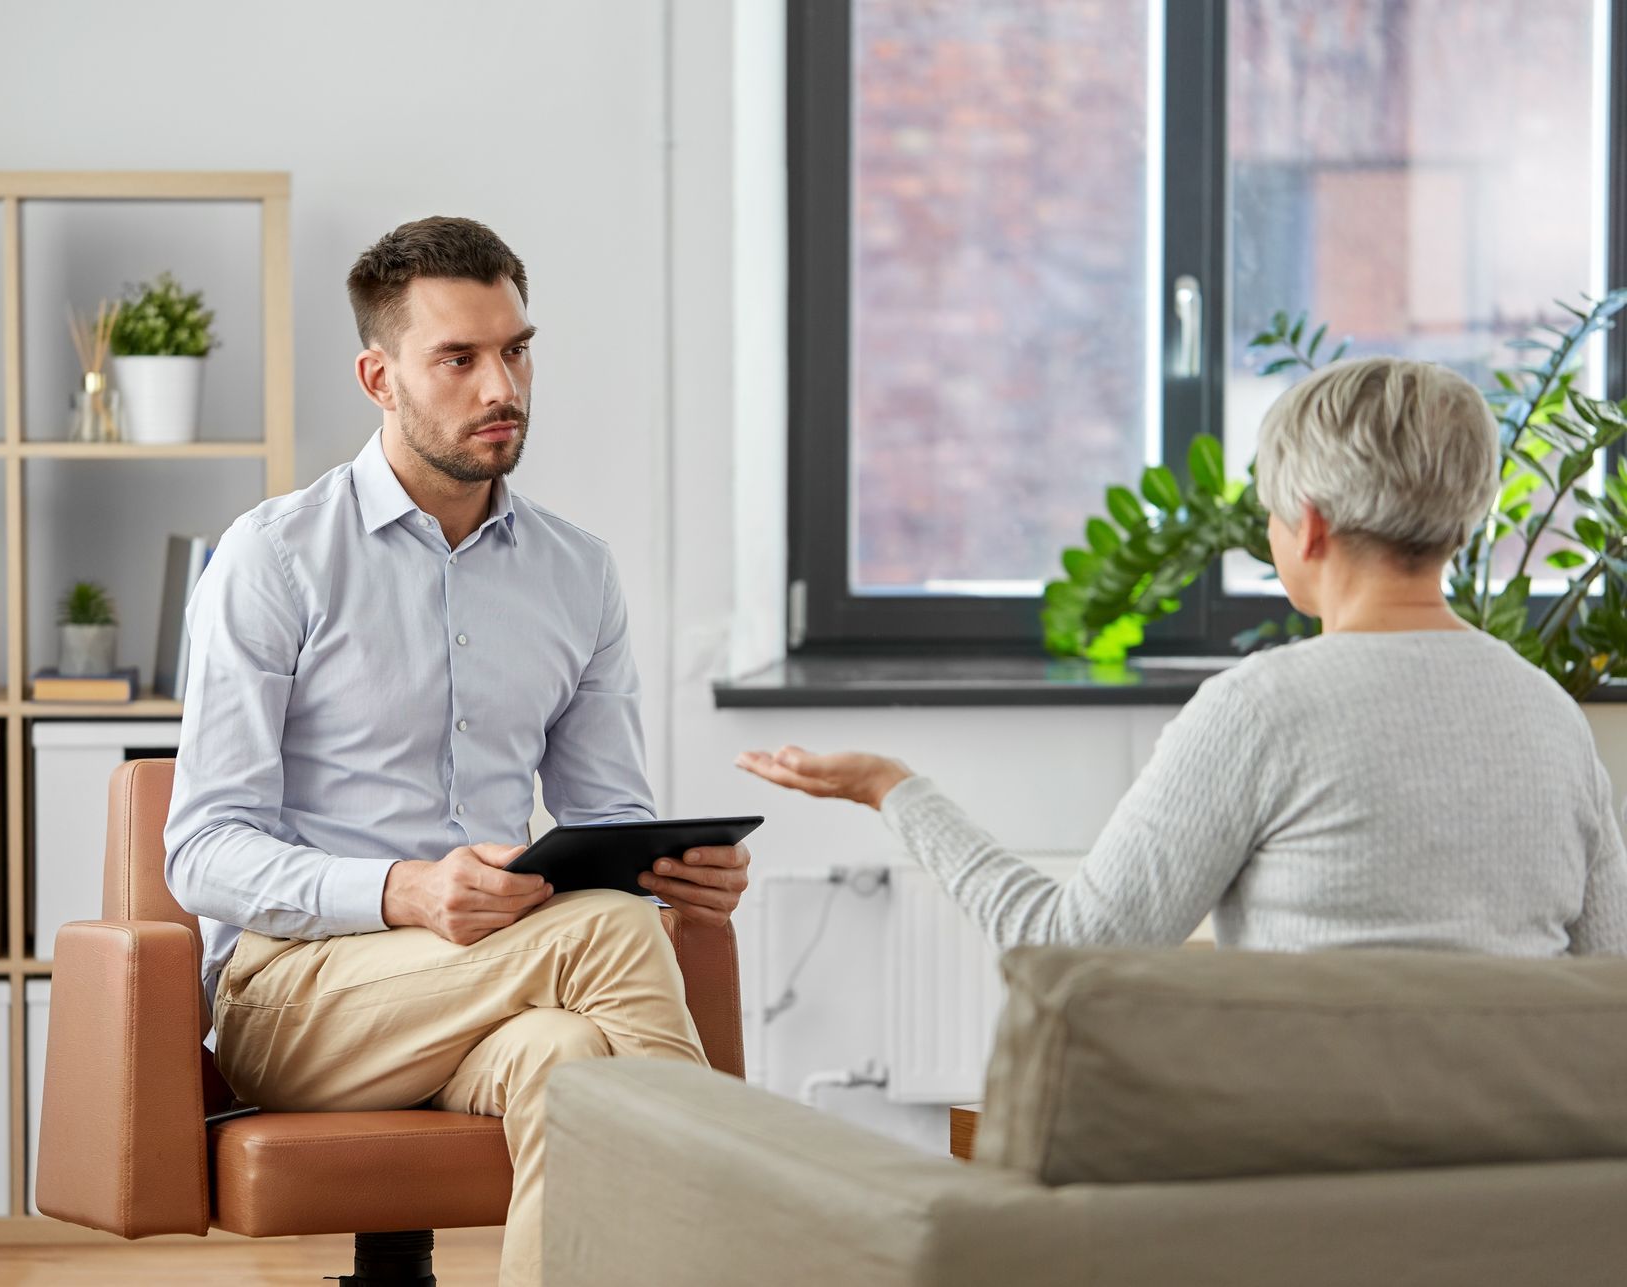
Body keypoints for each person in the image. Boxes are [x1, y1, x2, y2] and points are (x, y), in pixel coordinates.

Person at [164, 216, 751, 1287]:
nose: (503, 387)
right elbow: (202, 853)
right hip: (296, 995)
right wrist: (402, 892)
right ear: (378, 376)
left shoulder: (578, 573)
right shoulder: (277, 558)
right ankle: (740, 1238)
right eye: (460, 359)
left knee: (573, 1066)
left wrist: (675, 870)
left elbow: (606, 820)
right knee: (613, 940)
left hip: (503, 983)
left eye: (517, 350)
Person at [740, 356, 1627, 957]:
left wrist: (891, 788)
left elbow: (1073, 949)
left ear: (1308, 524)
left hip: (1307, 1183)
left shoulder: (1264, 708)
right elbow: (1603, 985)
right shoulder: (1550, 716)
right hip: (1520, 1195)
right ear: (1463, 523)